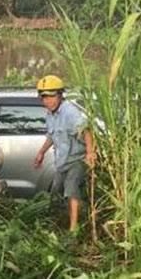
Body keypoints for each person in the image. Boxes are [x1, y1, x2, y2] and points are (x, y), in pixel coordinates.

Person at [33, 75, 96, 233]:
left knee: (71, 189)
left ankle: (73, 229)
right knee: (56, 192)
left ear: (60, 95)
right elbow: (51, 136)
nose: (47, 101)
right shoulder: (50, 114)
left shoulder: (69, 112)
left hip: (76, 159)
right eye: (44, 97)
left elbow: (86, 130)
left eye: (51, 96)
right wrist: (41, 152)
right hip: (62, 161)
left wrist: (90, 152)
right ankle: (63, 221)